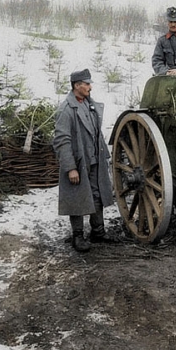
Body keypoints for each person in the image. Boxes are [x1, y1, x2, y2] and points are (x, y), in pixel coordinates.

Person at [52, 68, 116, 252]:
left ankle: (98, 232)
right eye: (87, 84)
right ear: (77, 85)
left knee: (97, 195)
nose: (90, 87)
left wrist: (104, 156)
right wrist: (70, 168)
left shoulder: (90, 105)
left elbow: (97, 133)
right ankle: (77, 236)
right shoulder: (66, 109)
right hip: (78, 162)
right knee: (77, 197)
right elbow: (62, 141)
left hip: (95, 159)